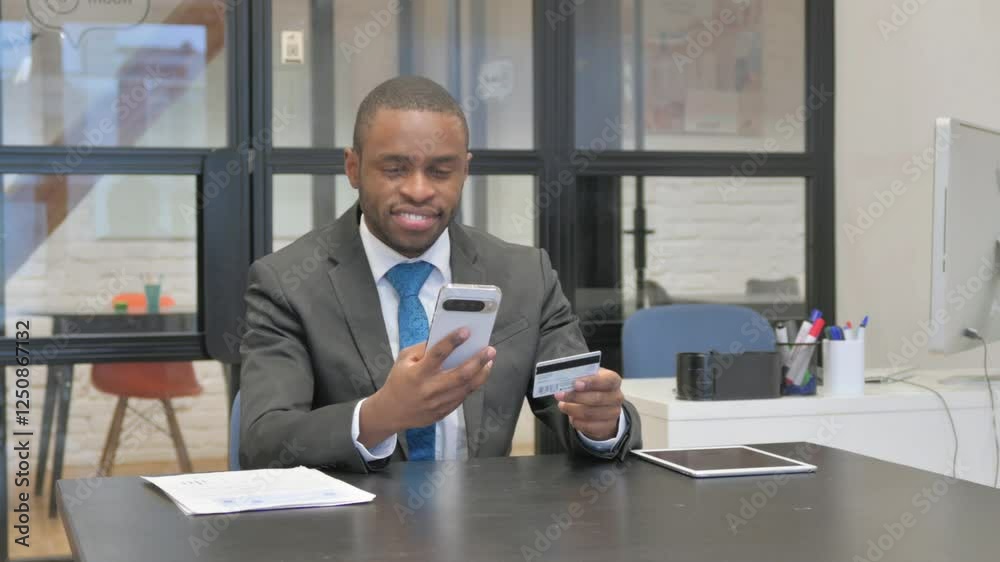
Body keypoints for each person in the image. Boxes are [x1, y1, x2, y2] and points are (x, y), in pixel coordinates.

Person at [239, 76, 641, 472]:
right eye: (395, 169)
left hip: (484, 513)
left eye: (440, 171)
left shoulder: (524, 277)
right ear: (354, 168)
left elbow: (578, 403)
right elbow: (264, 443)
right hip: (356, 514)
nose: (418, 191)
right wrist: (379, 415)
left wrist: (602, 423)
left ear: (464, 171)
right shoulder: (287, 283)